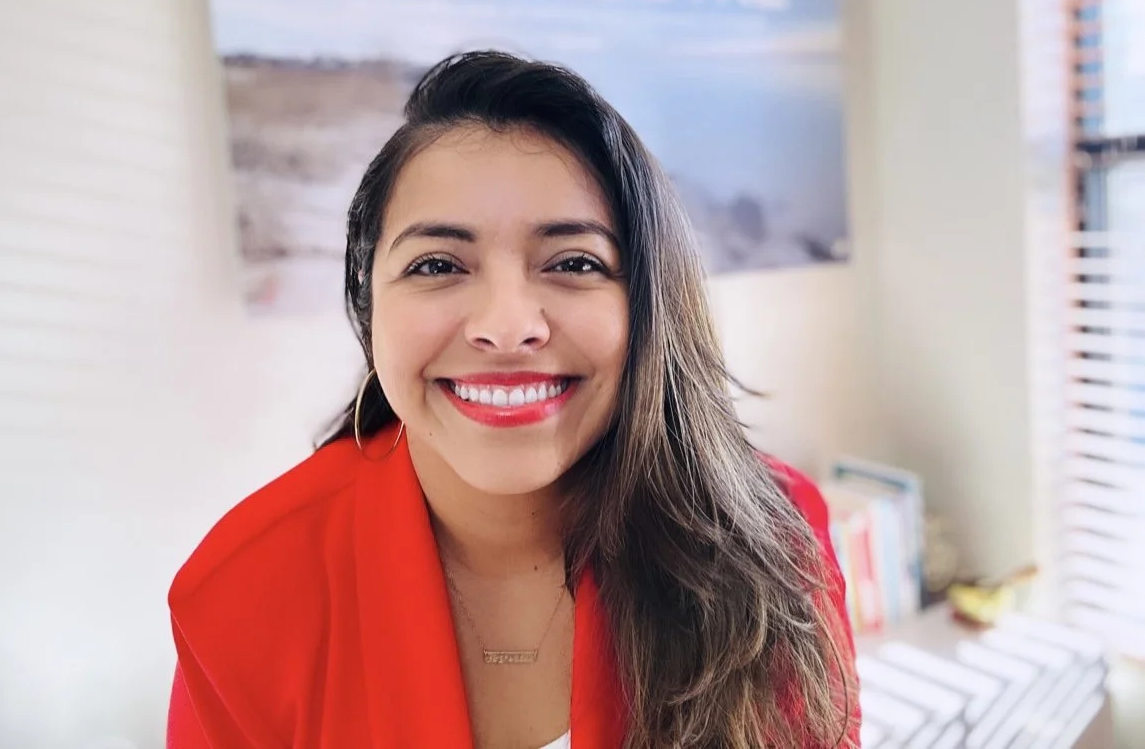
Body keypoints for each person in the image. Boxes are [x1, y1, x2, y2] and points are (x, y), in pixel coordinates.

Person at [166, 51, 861, 748]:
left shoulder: (774, 539)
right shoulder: (241, 593)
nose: (506, 327)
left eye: (574, 263)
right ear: (369, 305)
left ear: (650, 305)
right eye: (437, 264)